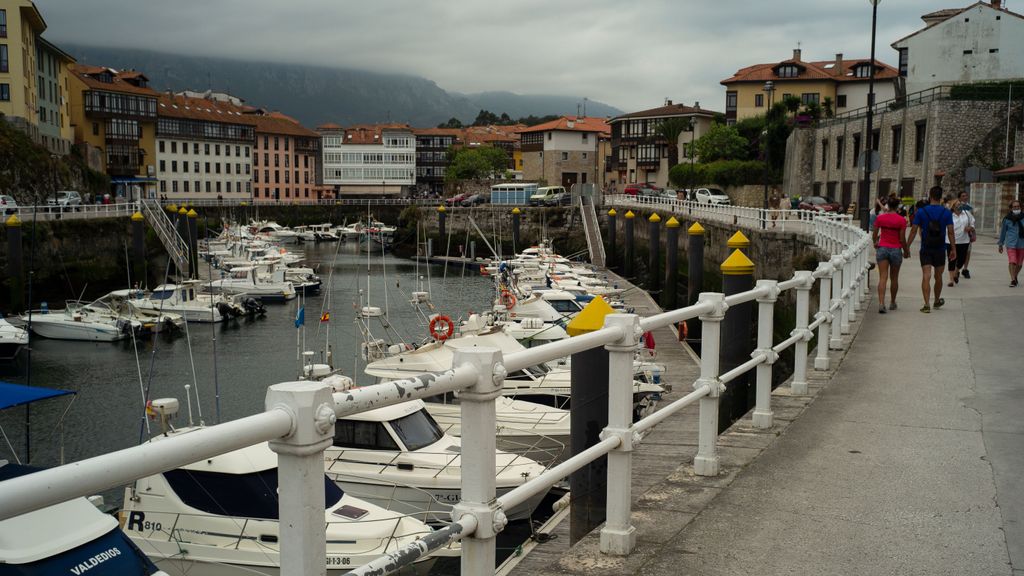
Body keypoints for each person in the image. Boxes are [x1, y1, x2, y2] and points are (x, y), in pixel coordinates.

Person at [907, 186, 955, 313]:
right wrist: (953, 249)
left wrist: (907, 246)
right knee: (938, 276)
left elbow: (913, 230)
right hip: (940, 248)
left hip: (926, 248)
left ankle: (926, 304)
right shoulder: (947, 212)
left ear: (930, 196)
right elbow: (950, 232)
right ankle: (937, 300)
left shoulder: (921, 212)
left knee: (926, 276)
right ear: (940, 197)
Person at [872, 196, 910, 313]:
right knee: (894, 278)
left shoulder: (881, 218)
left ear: (888, 205)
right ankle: (892, 302)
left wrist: (875, 242)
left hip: (882, 248)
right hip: (895, 250)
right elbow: (902, 239)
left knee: (883, 277)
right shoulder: (901, 220)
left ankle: (881, 303)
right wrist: (906, 251)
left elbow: (874, 233)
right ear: (898, 206)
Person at [946, 200, 975, 286]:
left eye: (960, 204)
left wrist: (970, 228)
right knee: (951, 260)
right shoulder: (949, 215)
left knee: (962, 260)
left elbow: (973, 224)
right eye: (958, 205)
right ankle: (951, 280)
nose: (960, 206)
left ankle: (956, 272)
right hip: (950, 241)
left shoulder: (966, 214)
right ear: (953, 206)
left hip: (964, 240)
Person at [997, 199, 1024, 287]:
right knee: (1012, 261)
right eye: (1014, 207)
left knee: (1019, 264)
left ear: (1021, 207)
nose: (1016, 208)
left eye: (1018, 207)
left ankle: (1015, 275)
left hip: (1022, 244)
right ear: (1011, 208)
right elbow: (1003, 232)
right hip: (1011, 244)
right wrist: (1000, 244)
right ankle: (1012, 279)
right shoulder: (1007, 219)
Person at [958, 191, 975, 278]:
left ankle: (965, 269)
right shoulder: (956, 207)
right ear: (959, 198)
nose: (965, 197)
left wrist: (972, 229)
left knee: (968, 252)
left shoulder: (969, 207)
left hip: (968, 234)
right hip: (958, 234)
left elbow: (972, 219)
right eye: (963, 196)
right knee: (958, 252)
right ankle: (956, 269)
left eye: (966, 195)